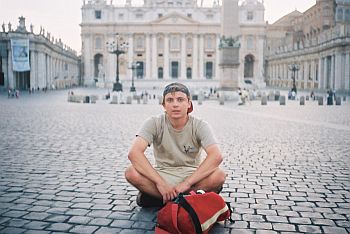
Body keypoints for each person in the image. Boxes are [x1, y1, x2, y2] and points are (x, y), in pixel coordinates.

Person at [125, 82, 226, 207]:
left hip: (192, 175)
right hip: (164, 174)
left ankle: (158, 197)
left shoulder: (200, 125)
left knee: (219, 175)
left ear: (189, 103)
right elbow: (134, 153)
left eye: (180, 99)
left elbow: (216, 156)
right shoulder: (154, 123)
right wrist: (160, 183)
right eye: (170, 100)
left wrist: (187, 183)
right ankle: (188, 198)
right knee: (131, 172)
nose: (175, 104)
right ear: (164, 105)